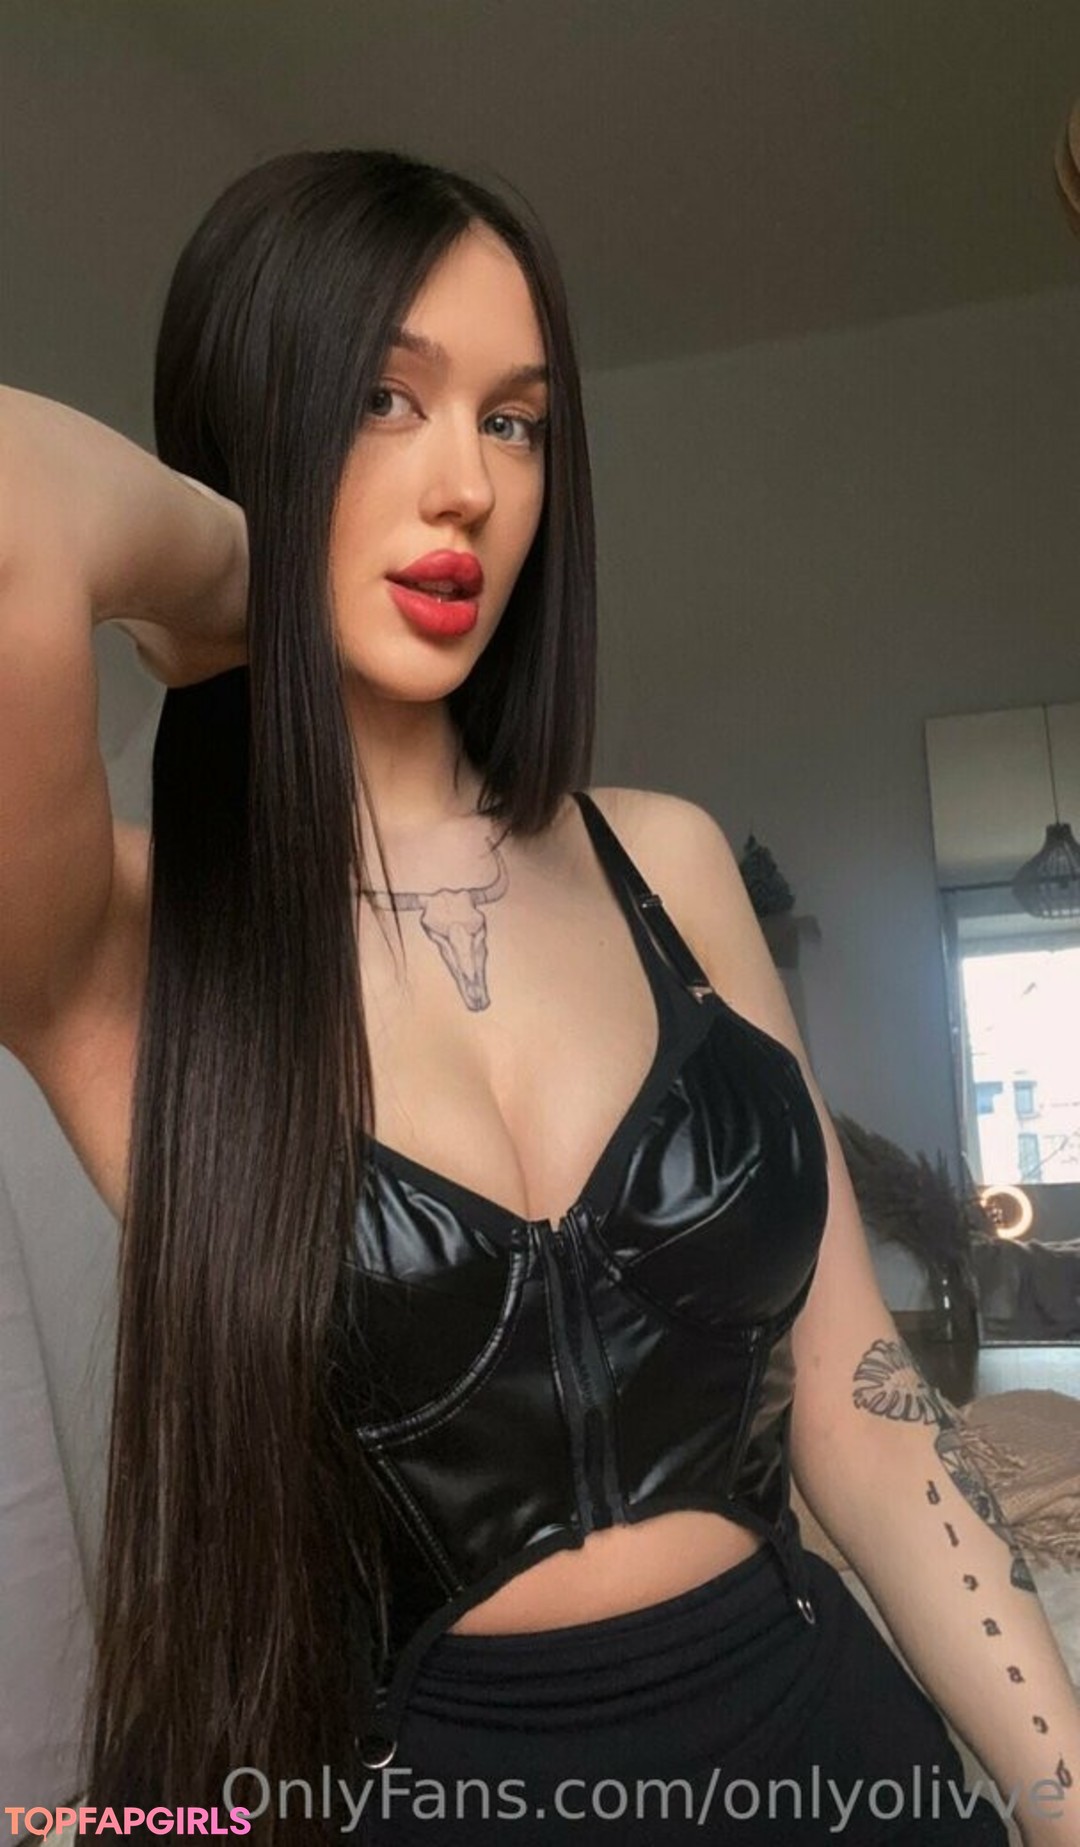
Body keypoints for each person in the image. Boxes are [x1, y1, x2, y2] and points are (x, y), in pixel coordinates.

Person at [0, 148, 1075, 1847]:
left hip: (839, 1757)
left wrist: (1061, 1794)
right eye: (383, 398)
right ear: (252, 421)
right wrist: (228, 582)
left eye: (515, 422)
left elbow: (864, 1409)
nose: (470, 490)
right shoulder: (134, 942)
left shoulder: (667, 860)